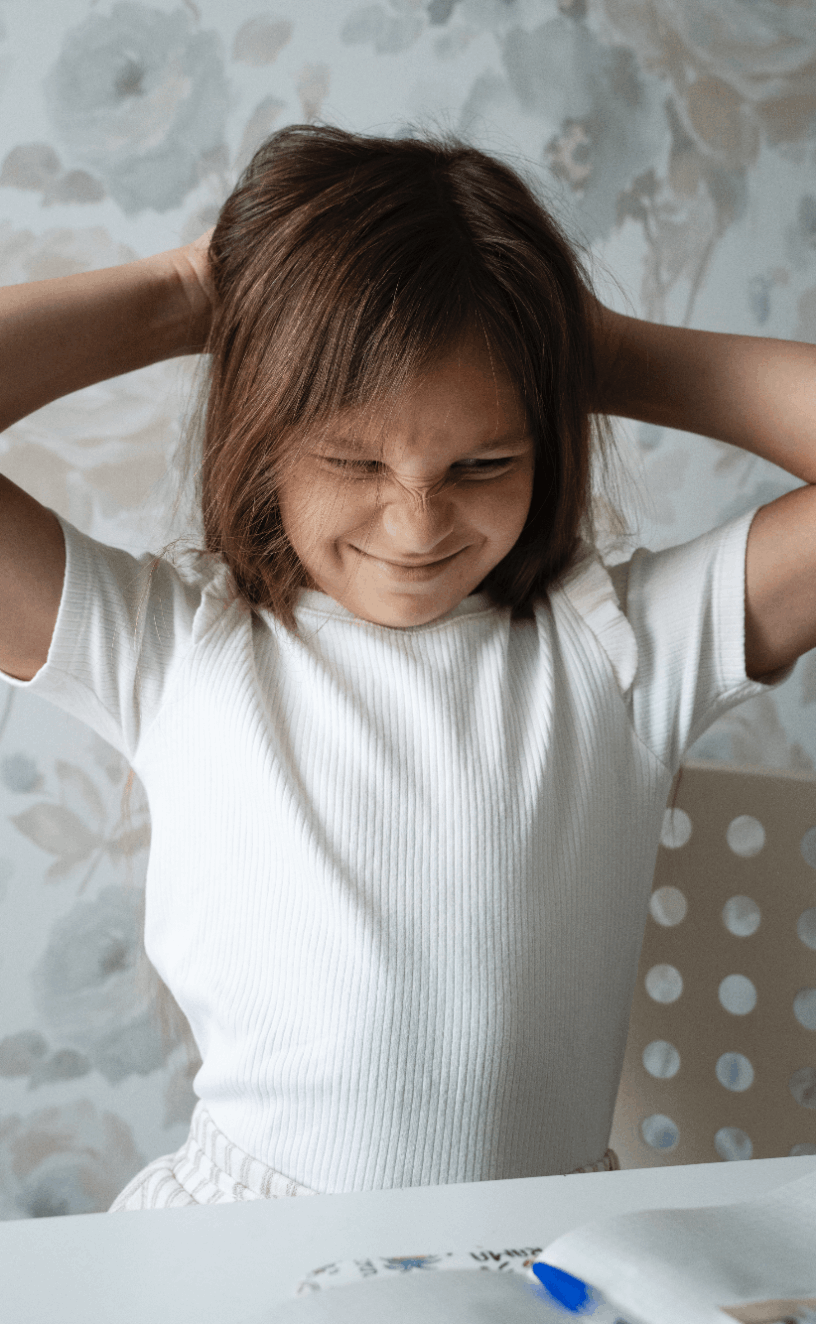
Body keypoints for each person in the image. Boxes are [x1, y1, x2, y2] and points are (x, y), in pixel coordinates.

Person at [0, 124, 813, 1213]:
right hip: (240, 1243)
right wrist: (193, 293)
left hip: (537, 1254)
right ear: (262, 440)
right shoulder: (172, 646)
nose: (418, 521)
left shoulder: (630, 642)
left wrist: (589, 350)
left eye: (486, 461)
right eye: (352, 460)